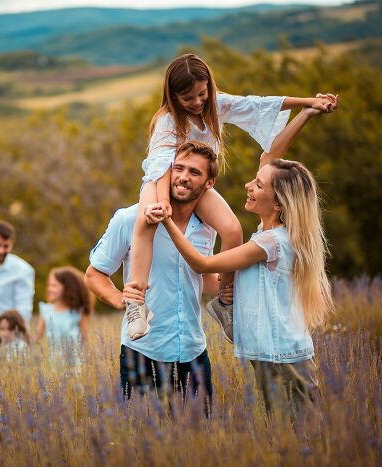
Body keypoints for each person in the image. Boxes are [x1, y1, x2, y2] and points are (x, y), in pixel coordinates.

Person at [126, 53, 338, 341]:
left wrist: (308, 103)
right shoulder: (167, 120)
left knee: (232, 229)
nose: (198, 102)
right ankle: (136, 303)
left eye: (202, 94)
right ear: (173, 97)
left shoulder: (215, 105)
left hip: (196, 184)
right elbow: (161, 163)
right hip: (163, 179)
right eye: (188, 98)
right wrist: (163, 201)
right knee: (146, 217)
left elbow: (257, 104)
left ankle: (224, 302)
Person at [158, 106, 334, 419]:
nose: (248, 186)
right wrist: (305, 115)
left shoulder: (270, 242)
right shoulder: (271, 233)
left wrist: (167, 219)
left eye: (258, 185)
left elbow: (201, 263)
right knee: (282, 432)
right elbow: (270, 157)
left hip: (282, 357)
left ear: (277, 202)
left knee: (301, 434)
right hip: (272, 354)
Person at [85, 141, 222, 413]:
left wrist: (233, 283)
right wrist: (119, 299)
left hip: (194, 352)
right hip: (143, 352)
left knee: (201, 438)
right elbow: (94, 274)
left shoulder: (208, 227)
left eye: (194, 172)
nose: (183, 176)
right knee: (143, 442)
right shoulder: (129, 218)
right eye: (178, 168)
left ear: (209, 183)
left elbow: (200, 278)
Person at [0, 221, 35, 325]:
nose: (1, 251)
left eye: (6, 246)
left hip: (6, 332)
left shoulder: (23, 270)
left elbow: (24, 310)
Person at [35, 266, 92, 347]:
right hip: (54, 359)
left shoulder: (77, 312)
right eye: (49, 285)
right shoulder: (46, 310)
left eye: (54, 285)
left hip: (74, 358)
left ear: (67, 288)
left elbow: (85, 341)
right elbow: (37, 338)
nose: (49, 289)